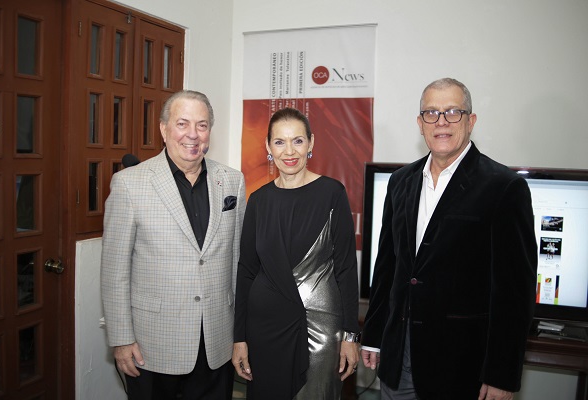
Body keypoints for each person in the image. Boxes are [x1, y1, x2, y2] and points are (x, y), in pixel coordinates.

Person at [361, 78, 537, 400]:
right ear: (420, 124)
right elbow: (387, 266)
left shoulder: (504, 188)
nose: (441, 122)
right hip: (398, 355)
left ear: (471, 121)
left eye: (453, 112)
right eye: (431, 113)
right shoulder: (401, 182)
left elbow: (515, 293)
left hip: (461, 365)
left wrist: (501, 375)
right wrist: (373, 335)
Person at [101, 90, 246, 400]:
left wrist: (240, 334)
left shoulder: (232, 181)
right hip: (153, 345)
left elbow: (237, 261)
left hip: (216, 342)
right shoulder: (130, 183)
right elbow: (115, 270)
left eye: (202, 125)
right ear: (163, 129)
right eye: (182, 123)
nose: (192, 134)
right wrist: (121, 339)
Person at [232, 107, 360, 399]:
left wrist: (351, 335)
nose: (289, 151)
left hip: (319, 329)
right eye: (279, 142)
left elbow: (346, 270)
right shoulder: (258, 200)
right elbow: (247, 271)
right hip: (263, 331)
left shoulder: (332, 193)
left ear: (311, 143)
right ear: (268, 147)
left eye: (298, 141)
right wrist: (239, 337)